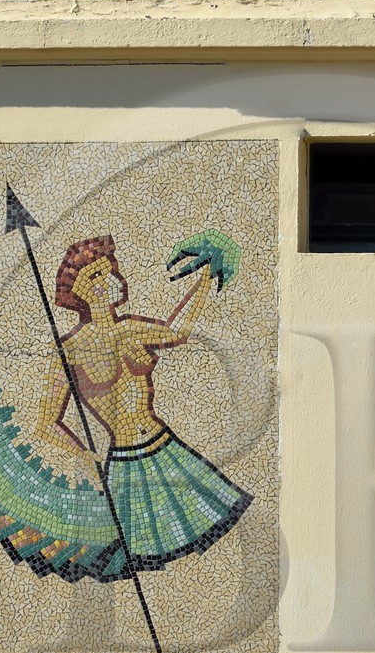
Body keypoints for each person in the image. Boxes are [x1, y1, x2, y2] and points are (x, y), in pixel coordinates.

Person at [32, 233, 251, 575]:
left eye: (110, 271)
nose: (111, 280)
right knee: (152, 555)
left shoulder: (131, 329)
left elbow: (176, 332)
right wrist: (85, 454)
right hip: (125, 464)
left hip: (167, 450)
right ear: (80, 294)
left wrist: (206, 277)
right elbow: (46, 422)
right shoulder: (68, 352)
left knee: (205, 538)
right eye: (97, 276)